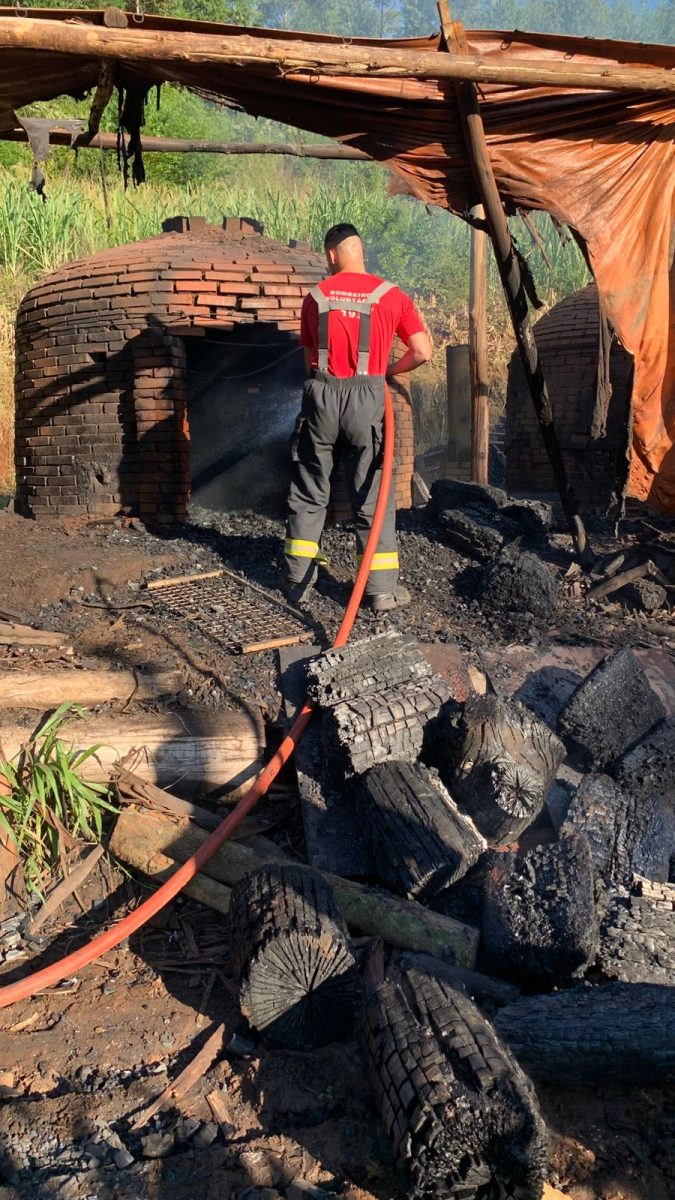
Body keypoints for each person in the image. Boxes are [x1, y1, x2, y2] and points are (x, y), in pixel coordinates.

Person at [283, 223, 432, 612]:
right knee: (372, 494)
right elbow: (423, 351)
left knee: (310, 489)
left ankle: (298, 583)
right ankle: (380, 590)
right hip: (368, 395)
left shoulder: (315, 297)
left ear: (332, 254)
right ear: (358, 250)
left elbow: (308, 358)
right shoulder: (392, 296)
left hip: (323, 394)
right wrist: (387, 372)